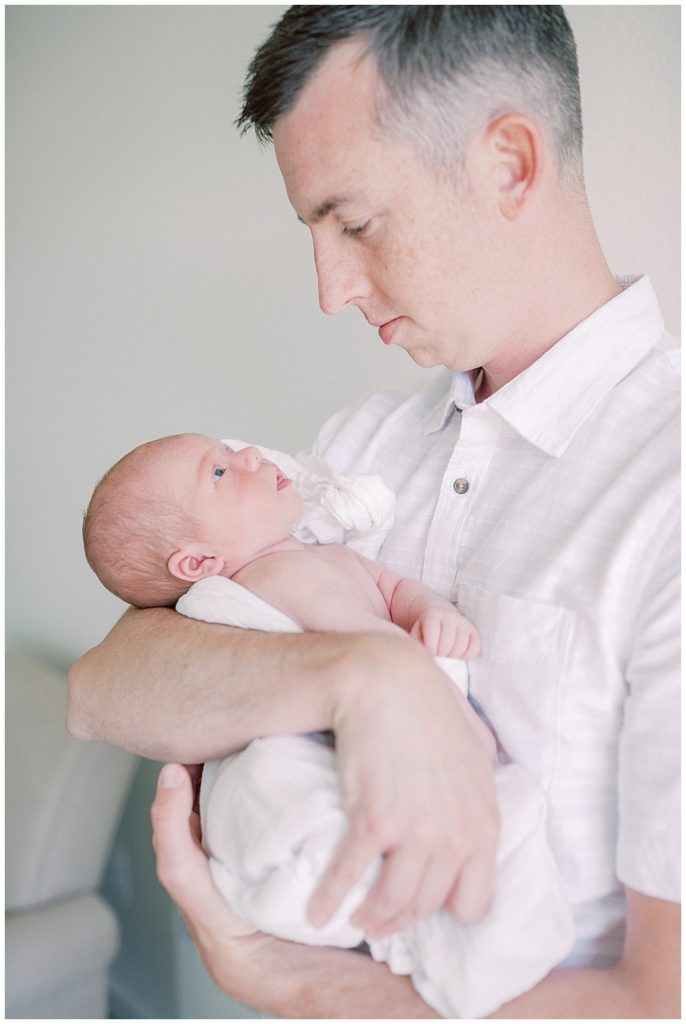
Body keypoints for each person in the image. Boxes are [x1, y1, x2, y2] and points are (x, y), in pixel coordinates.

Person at [69, 6, 680, 1017]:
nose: (329, 289)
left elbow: (662, 999)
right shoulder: (357, 449)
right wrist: (369, 674)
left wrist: (282, 978)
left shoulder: (667, 489)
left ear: (508, 164)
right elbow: (104, 686)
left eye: (352, 223)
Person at [82, 429, 575, 1017]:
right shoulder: (269, 580)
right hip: (315, 755)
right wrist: (443, 707)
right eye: (218, 473)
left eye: (229, 451)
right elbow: (368, 646)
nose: (249, 454)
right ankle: (415, 923)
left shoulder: (322, 554)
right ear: (198, 563)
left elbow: (393, 592)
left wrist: (430, 610)